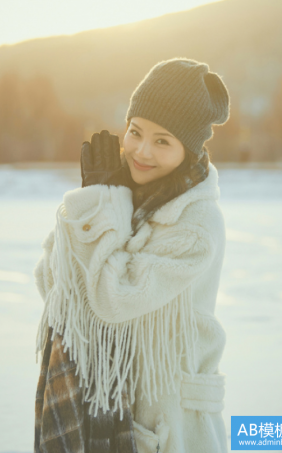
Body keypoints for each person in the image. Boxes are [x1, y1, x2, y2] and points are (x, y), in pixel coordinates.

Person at [33, 57, 230, 453]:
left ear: (188, 151)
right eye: (136, 132)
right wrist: (95, 203)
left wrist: (99, 208)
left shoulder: (196, 223)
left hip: (167, 418)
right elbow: (51, 286)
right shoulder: (121, 194)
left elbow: (113, 298)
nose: (141, 151)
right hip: (101, 401)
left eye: (162, 141)